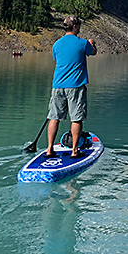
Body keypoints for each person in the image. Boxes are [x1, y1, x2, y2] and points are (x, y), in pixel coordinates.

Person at [46, 15, 97, 158]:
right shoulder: (82, 43)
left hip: (58, 85)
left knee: (54, 117)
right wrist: (92, 44)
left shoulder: (56, 44)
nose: (80, 27)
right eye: (79, 25)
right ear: (75, 27)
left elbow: (58, 58)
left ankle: (50, 149)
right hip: (75, 86)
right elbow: (92, 52)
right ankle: (74, 151)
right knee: (76, 118)